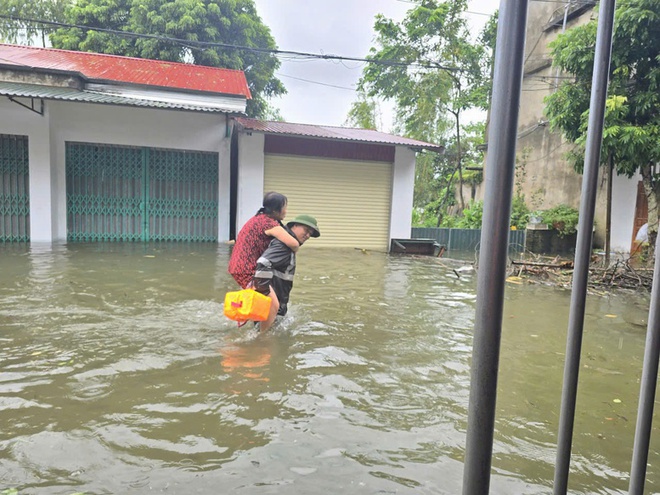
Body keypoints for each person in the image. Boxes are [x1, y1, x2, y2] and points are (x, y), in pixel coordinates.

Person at [253, 214, 320, 331]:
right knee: (263, 341)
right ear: (294, 226)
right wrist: (266, 296)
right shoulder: (283, 246)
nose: (308, 235)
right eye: (306, 230)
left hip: (273, 309)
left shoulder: (288, 246)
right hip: (269, 310)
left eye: (310, 233)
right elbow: (262, 264)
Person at [228, 192, 300, 290]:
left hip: (238, 267)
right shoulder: (268, 223)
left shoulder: (258, 218)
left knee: (258, 300)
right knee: (272, 304)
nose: (286, 211)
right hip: (247, 270)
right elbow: (294, 244)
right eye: (284, 208)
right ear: (275, 210)